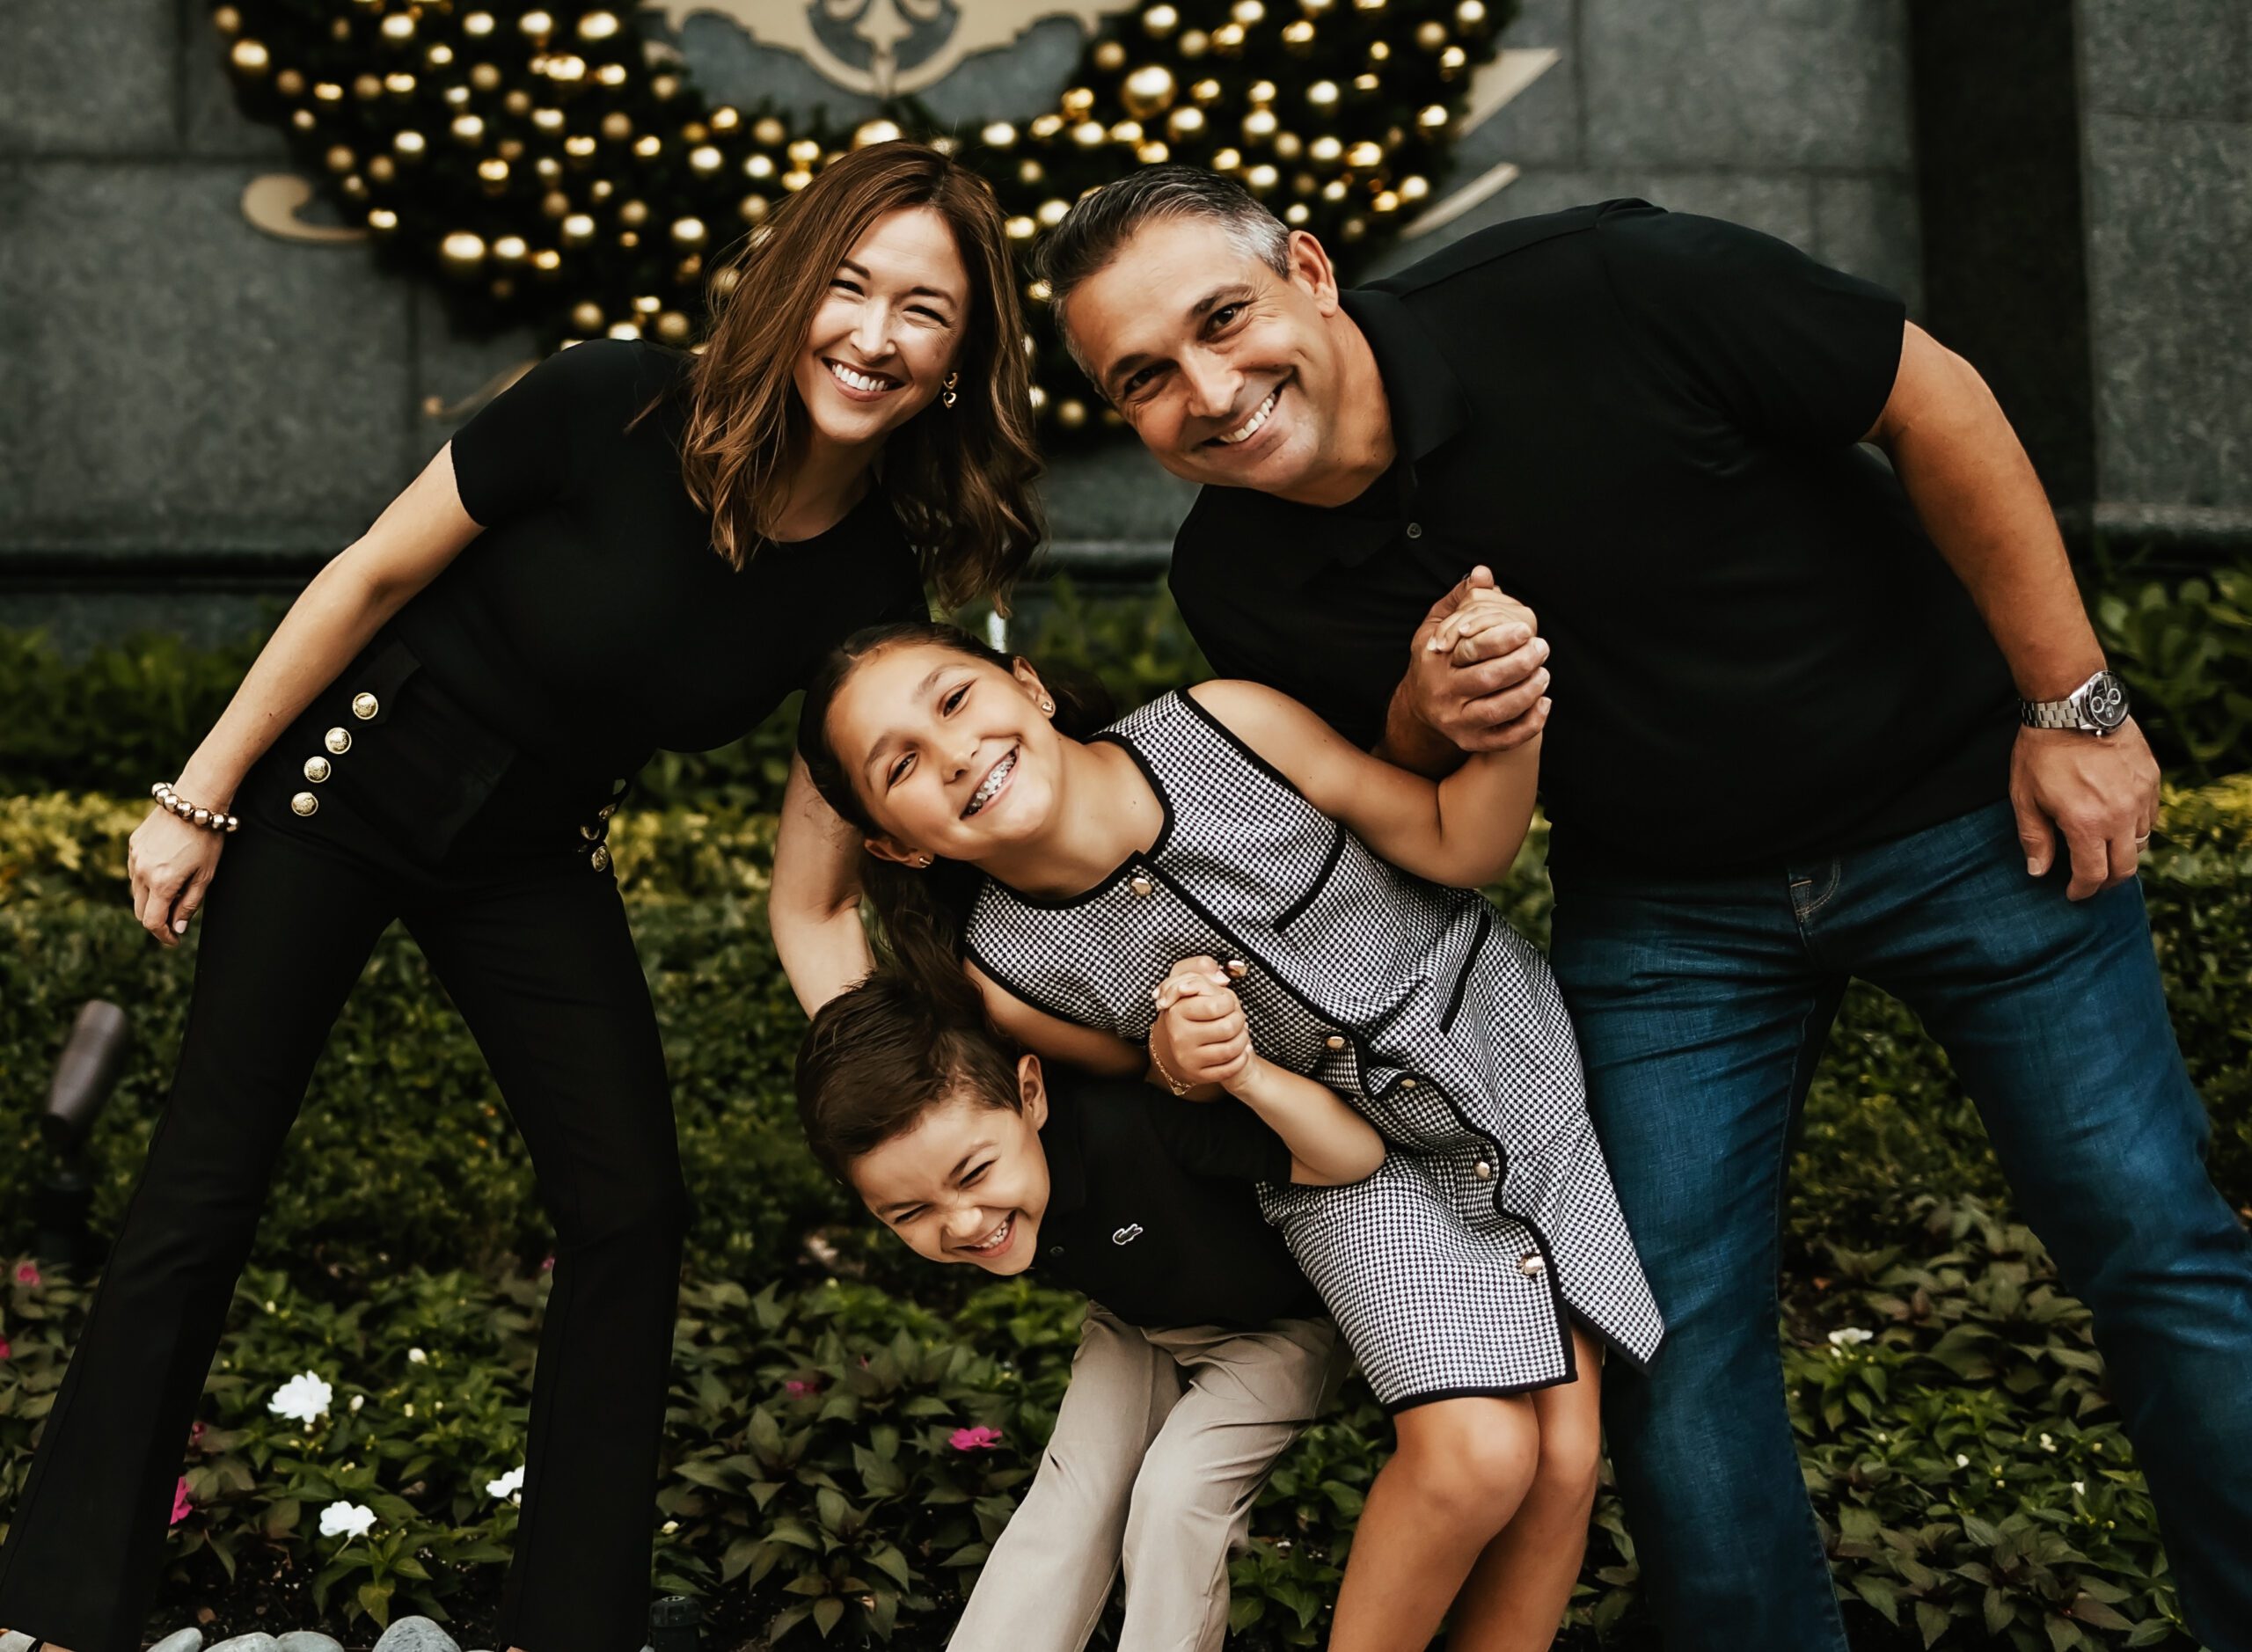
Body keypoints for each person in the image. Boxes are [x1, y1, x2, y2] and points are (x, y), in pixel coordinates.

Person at [1029, 166, 2252, 1651]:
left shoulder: (1601, 290)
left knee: (2150, 1238)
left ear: (1310, 267)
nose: (1210, 392)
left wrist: (2074, 703)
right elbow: (1414, 825)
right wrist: (1422, 713)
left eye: (1224, 319)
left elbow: (1933, 400)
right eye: (1145, 379)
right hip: (1671, 907)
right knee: (1666, 1329)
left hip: (1963, 808)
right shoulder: (1240, 576)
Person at [0, 142, 1040, 1652]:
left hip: (527, 856)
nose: (873, 335)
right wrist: (196, 793)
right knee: (204, 1186)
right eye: (849, 285)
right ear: (789, 285)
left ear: (963, 356)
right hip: (333, 795)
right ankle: (59, 1611)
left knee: (632, 1202)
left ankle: (574, 1624)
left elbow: (813, 890)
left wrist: (906, 1110)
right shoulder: (606, 404)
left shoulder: (874, 576)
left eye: (923, 312)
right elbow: (365, 577)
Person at [793, 618, 1663, 1652]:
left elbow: (1454, 842)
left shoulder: (1226, 727)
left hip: (1505, 1074)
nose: (953, 753)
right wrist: (1178, 1055)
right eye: (902, 767)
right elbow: (1159, 1105)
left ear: (1024, 684)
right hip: (1340, 1164)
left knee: (1566, 1458)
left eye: (953, 701)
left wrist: (1508, 727)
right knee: (1474, 1454)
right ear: (899, 843)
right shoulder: (1007, 975)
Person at [796, 969, 1371, 1652]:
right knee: (1072, 1498)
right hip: (1134, 1319)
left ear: (1030, 1095)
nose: (965, 1224)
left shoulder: (1136, 1130)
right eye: (911, 1211)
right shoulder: (1003, 1191)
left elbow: (1354, 1156)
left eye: (975, 1174)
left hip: (1275, 1329)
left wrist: (1244, 1074)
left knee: (1176, 1499)